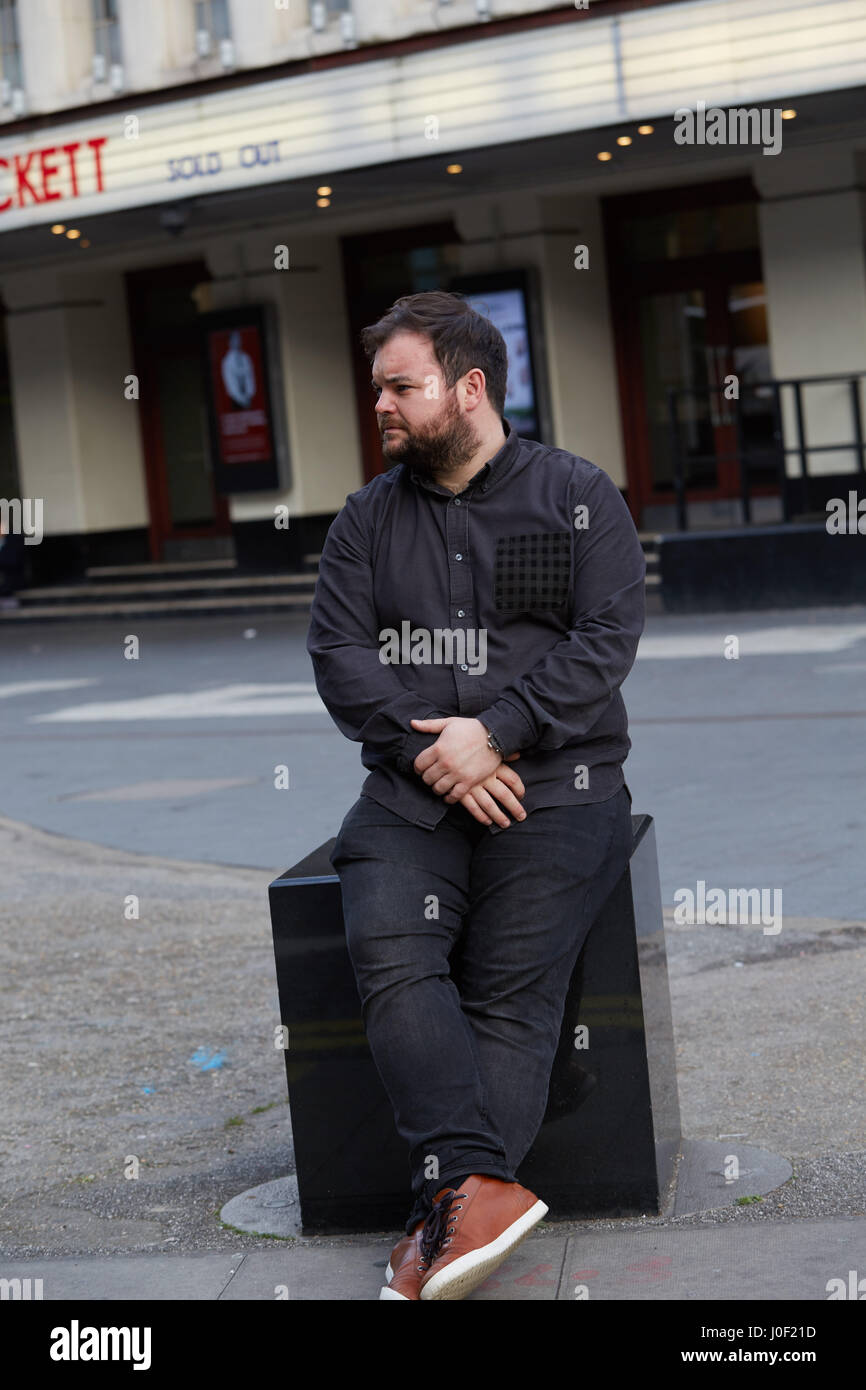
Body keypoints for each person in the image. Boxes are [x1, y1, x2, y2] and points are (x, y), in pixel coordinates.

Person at [306, 290, 645, 1301]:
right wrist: (439, 754)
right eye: (377, 390)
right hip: (412, 795)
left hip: (557, 788)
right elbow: (339, 655)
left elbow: (604, 642)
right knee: (387, 946)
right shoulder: (366, 521)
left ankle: (442, 1209)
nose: (382, 407)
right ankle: (473, 1189)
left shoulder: (575, 496)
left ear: (468, 387)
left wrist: (494, 732)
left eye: (400, 387)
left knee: (508, 994)